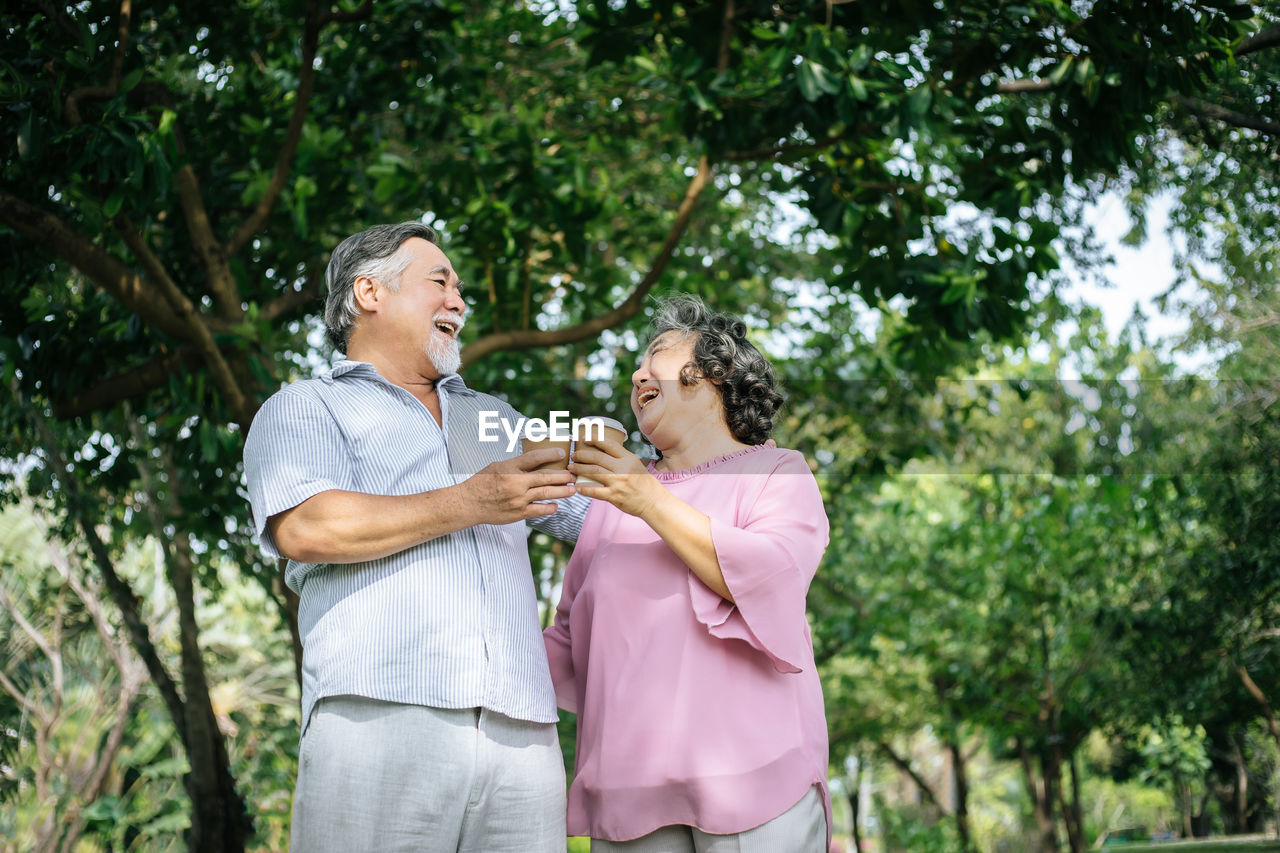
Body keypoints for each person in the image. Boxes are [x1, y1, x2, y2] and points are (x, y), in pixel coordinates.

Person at [243, 221, 588, 853]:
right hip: (379, 713)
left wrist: (728, 466)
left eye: (459, 289)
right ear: (369, 293)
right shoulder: (305, 407)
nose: (459, 300)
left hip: (523, 733)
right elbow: (306, 525)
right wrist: (473, 500)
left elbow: (604, 514)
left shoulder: (492, 421)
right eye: (440, 282)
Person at [545, 295, 832, 852]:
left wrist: (646, 497)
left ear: (713, 374)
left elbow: (772, 577)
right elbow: (566, 642)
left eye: (656, 354)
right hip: (628, 798)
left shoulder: (777, 471)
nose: (636, 374)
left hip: (755, 784)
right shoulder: (610, 504)